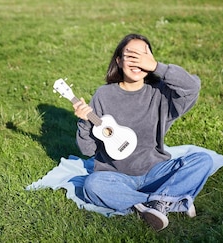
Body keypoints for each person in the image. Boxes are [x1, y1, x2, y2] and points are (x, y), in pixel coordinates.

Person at [72, 33, 213, 231]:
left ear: (151, 60)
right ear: (119, 61)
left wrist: (158, 67)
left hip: (156, 171)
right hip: (115, 175)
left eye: (143, 55)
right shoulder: (103, 95)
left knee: (203, 160)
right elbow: (87, 150)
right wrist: (84, 123)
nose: (137, 60)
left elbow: (192, 87)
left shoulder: (161, 93)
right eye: (131, 55)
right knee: (92, 185)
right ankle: (164, 202)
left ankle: (143, 205)